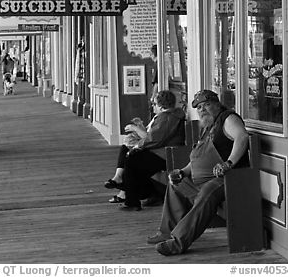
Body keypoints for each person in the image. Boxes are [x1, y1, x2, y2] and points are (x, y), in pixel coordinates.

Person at [147, 89, 249, 256]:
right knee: (176, 184)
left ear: (217, 104)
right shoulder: (208, 125)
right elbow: (199, 156)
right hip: (207, 177)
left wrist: (228, 163)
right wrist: (183, 172)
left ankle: (178, 242)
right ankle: (167, 231)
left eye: (207, 105)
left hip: (230, 177)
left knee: (207, 192)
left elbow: (242, 137)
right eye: (199, 107)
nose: (202, 110)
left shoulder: (228, 118)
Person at [105, 90, 186, 211]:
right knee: (131, 157)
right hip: (165, 151)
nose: (153, 106)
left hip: (166, 154)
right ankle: (147, 194)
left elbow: (154, 139)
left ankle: (132, 200)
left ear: (161, 105)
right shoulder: (170, 116)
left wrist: (138, 146)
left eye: (154, 104)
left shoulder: (167, 118)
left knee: (132, 160)